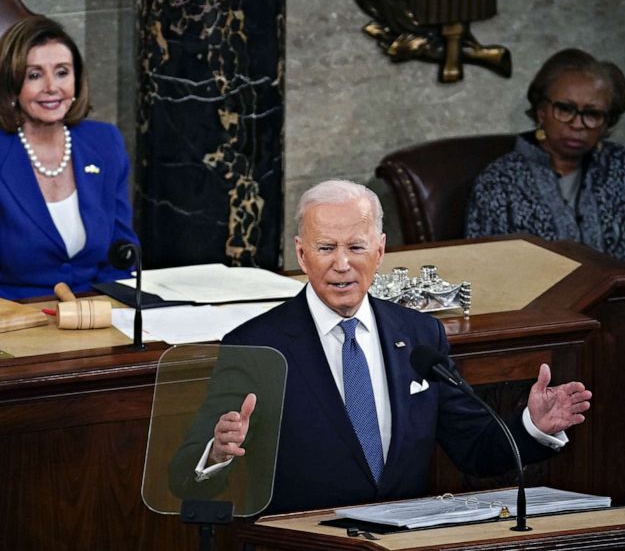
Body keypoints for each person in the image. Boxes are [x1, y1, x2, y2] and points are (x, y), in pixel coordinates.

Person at [171, 179, 593, 515]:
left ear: (380, 250)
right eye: (325, 248)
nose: (342, 264)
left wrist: (534, 425)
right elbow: (183, 476)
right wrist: (217, 450)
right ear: (301, 255)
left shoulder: (421, 335)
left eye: (356, 247)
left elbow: (476, 450)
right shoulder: (256, 345)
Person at [465, 48, 625, 551]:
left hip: (619, 339)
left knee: (607, 372)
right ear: (540, 109)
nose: (577, 124)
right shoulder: (500, 180)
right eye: (565, 109)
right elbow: (483, 279)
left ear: (608, 121)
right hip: (539, 349)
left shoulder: (621, 169)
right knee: (599, 376)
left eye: (592, 114)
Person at [0, 16, 138, 300]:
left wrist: (104, 316)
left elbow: (120, 257)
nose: (51, 87)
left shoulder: (105, 142)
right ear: (11, 84)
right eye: (34, 75)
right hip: (16, 319)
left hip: (98, 315)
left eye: (62, 72)